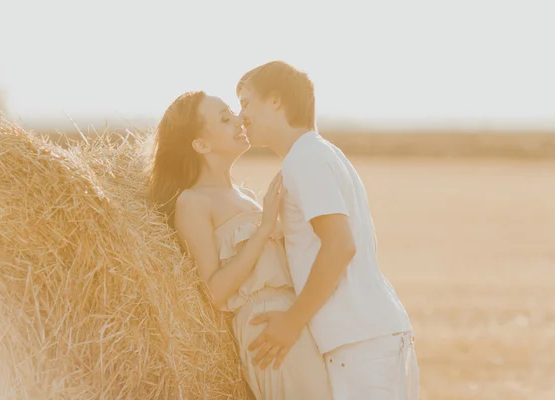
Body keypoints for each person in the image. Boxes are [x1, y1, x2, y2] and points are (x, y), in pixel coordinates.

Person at [237, 61, 420, 399]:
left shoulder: (304, 159)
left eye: (246, 102)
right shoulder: (318, 153)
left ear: (275, 101)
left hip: (359, 342)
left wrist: (292, 321)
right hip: (364, 336)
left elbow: (339, 245)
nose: (240, 115)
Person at [146, 91, 333, 399]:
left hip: (295, 319)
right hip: (265, 328)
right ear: (201, 145)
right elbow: (215, 292)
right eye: (224, 119)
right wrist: (263, 231)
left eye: (233, 112)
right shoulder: (193, 202)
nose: (239, 120)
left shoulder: (245, 197)